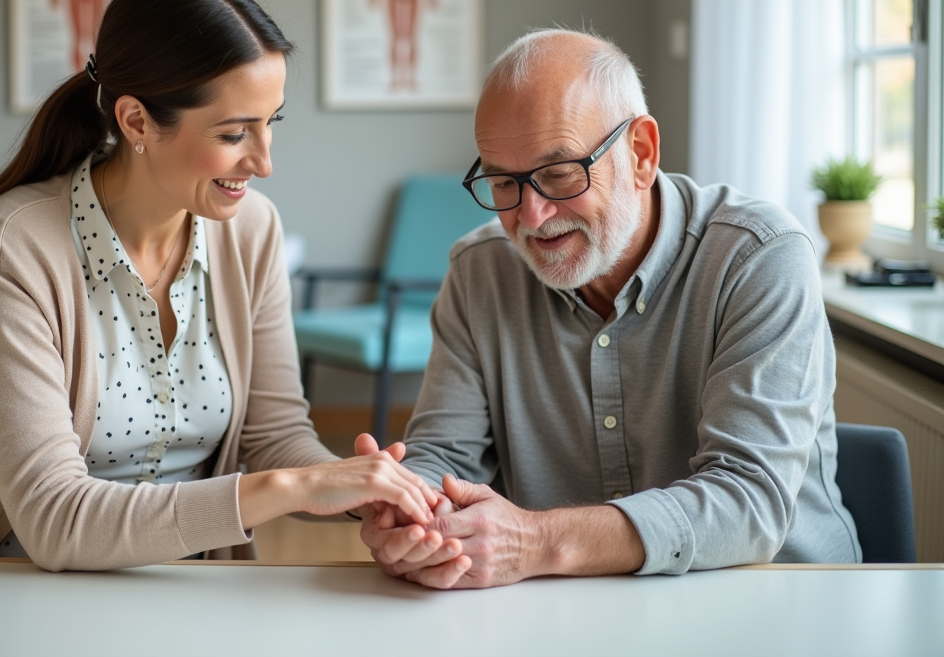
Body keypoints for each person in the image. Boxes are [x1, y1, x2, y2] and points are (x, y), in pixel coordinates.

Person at [0, 0, 438, 571]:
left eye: (270, 124)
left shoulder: (252, 230)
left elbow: (273, 436)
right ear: (136, 121)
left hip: (186, 593)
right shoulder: (15, 245)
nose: (264, 162)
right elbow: (53, 519)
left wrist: (360, 491)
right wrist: (287, 490)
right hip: (1, 584)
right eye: (233, 133)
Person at [355, 29, 860, 588]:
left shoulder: (759, 258)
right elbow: (444, 454)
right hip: (572, 611)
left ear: (640, 154)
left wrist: (535, 541)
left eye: (559, 174)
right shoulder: (480, 273)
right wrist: (413, 511)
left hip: (780, 601)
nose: (533, 215)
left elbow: (747, 503)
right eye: (503, 182)